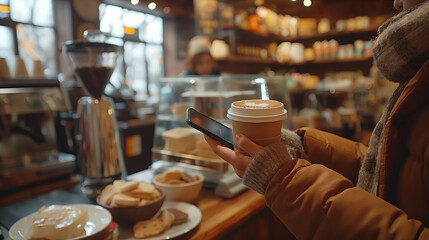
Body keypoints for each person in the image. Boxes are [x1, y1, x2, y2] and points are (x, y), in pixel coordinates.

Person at [204, 0, 429, 239]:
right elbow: (383, 169)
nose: (397, 3)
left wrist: (283, 178)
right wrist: (300, 148)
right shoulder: (419, 70)